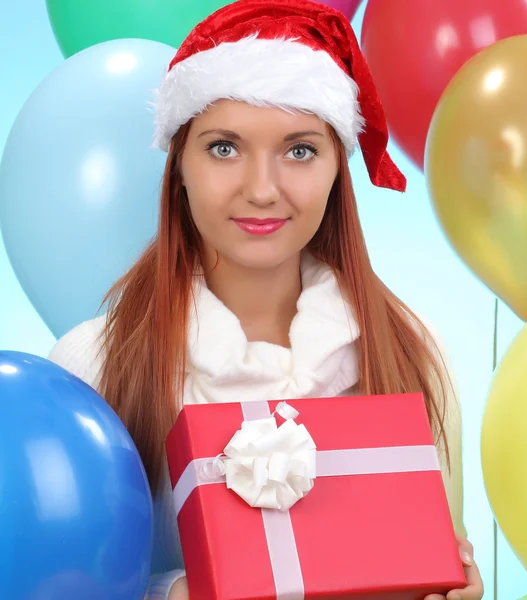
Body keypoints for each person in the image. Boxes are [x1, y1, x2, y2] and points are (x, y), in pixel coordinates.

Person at [48, 1, 484, 599]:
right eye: (224, 147)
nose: (261, 189)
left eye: (299, 150)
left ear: (338, 168)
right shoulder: (92, 368)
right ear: (179, 167)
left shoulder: (413, 351)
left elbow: (440, 554)